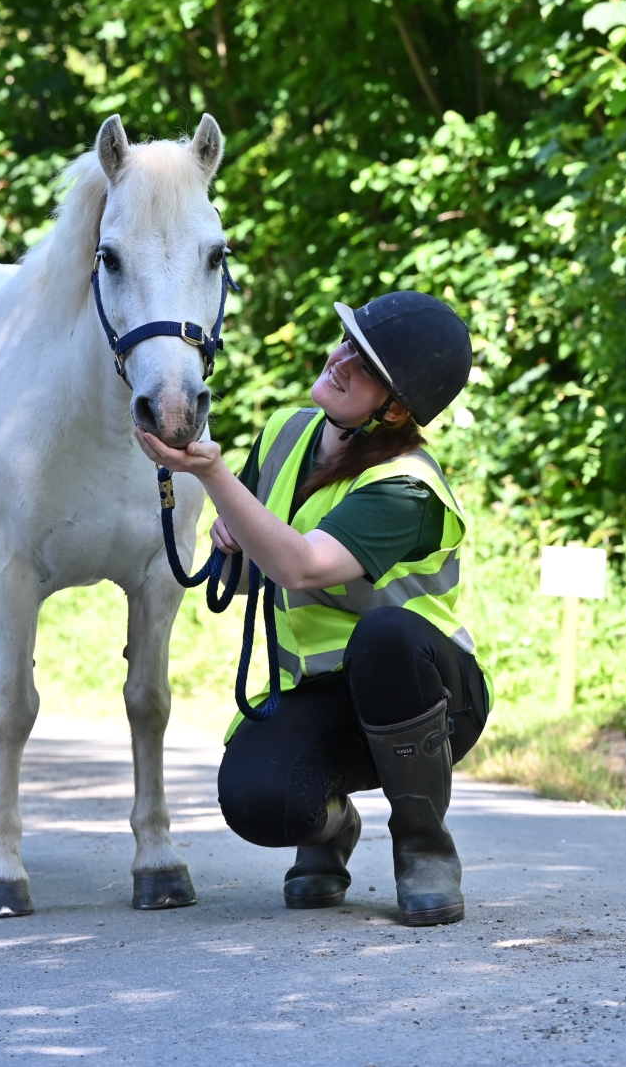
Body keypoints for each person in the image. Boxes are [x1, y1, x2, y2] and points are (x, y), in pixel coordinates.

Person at [135, 291, 484, 927]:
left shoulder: (407, 488)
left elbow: (302, 565)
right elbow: (249, 577)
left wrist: (215, 480)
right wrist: (231, 544)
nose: (341, 359)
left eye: (367, 366)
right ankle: (330, 825)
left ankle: (423, 845)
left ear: (397, 408)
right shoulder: (287, 433)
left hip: (430, 696)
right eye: (348, 342)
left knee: (384, 635)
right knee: (255, 800)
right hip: (323, 695)